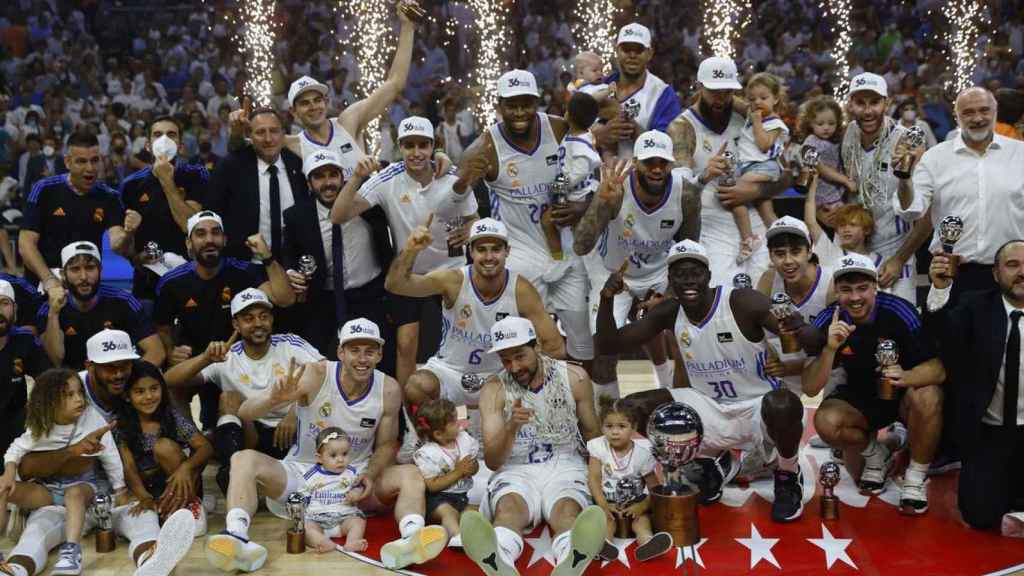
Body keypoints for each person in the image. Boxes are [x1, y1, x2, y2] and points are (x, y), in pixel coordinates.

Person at [595, 240, 813, 522]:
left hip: (759, 409)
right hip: (709, 410)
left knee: (784, 403)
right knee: (632, 406)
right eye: (680, 274)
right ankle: (712, 463)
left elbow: (805, 340)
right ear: (670, 279)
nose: (688, 281)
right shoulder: (670, 311)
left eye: (695, 273)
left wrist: (800, 328)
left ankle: (787, 474)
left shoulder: (741, 301)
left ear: (708, 275)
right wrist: (606, 298)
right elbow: (609, 344)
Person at [207, 318, 447, 572]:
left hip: (355, 479)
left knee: (410, 473)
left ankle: (411, 538)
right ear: (340, 352)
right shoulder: (316, 374)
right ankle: (236, 537)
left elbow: (387, 445)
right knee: (242, 459)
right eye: (354, 350)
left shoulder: (388, 388)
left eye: (369, 351)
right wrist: (273, 399)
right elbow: (245, 412)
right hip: (303, 475)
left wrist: (369, 475)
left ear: (380, 354)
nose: (362, 359)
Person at [6, 330, 196, 576]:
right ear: (90, 366)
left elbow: (175, 429)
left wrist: (132, 489)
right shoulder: (61, 391)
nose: (119, 374)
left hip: (114, 495)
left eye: (124, 365)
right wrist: (73, 453)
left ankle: (150, 562)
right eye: (109, 367)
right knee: (37, 530)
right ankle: (15, 569)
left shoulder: (144, 385)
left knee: (144, 519)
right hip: (62, 498)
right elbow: (27, 464)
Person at [384, 218, 564, 446]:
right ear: (470, 251)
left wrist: (525, 377)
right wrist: (410, 250)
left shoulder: (521, 290)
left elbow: (555, 346)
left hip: (500, 376)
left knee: (509, 438)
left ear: (507, 251)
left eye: (496, 249)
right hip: (450, 371)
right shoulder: (453, 280)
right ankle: (430, 447)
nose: (489, 257)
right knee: (416, 386)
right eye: (481, 249)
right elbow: (395, 285)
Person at [456, 69, 591, 366]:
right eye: (511, 105)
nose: (519, 111)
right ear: (499, 105)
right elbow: (458, 190)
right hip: (518, 255)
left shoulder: (559, 129)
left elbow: (590, 171)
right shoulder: (485, 146)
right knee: (526, 343)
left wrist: (581, 208)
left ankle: (591, 403)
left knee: (584, 342)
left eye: (526, 103)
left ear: (537, 102)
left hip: (567, 251)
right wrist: (469, 221)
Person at [331, 117, 477, 384]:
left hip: (452, 272)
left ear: (434, 146)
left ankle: (457, 409)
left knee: (460, 343)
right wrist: (356, 178)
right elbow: (338, 215)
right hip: (408, 273)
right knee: (406, 345)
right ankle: (406, 415)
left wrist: (472, 230)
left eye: (423, 145)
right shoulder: (388, 178)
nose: (416, 152)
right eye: (409, 146)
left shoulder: (452, 176)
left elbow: (474, 218)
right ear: (400, 147)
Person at [459, 316, 607, 576]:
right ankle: (499, 558)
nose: (514, 367)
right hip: (516, 466)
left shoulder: (574, 377)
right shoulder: (493, 390)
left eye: (520, 356)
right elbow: (493, 461)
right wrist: (511, 427)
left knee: (566, 511)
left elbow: (593, 435)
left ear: (536, 346)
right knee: (509, 510)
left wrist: (603, 480)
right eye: (506, 359)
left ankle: (570, 560)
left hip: (564, 462)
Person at [805, 253, 945, 514]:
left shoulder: (899, 310)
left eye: (862, 288)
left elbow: (937, 370)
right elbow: (810, 388)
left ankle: (916, 476)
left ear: (875, 287)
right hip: (861, 398)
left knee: (929, 394)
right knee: (826, 423)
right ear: (836, 290)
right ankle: (877, 453)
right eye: (846, 290)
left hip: (901, 395)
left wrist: (905, 376)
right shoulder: (829, 319)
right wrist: (829, 349)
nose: (855, 297)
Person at [574, 133, 701, 398]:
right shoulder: (615, 189)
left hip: (659, 271)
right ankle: (609, 415)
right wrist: (601, 201)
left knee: (686, 336)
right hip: (611, 271)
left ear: (671, 164)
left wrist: (668, 297)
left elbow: (688, 255)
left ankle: (674, 395)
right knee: (604, 346)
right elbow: (581, 246)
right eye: (649, 162)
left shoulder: (686, 193)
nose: (656, 169)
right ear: (636, 163)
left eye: (662, 162)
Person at [164, 288, 323, 492]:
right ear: (236, 324)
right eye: (248, 318)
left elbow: (324, 372)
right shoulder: (227, 355)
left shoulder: (290, 343)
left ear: (271, 320)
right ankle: (232, 470)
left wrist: (296, 412)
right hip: (252, 435)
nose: (258, 323)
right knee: (228, 398)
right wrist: (205, 358)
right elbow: (169, 380)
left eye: (263, 317)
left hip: (296, 430)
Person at [154, 211, 294, 430]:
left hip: (240, 359)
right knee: (172, 383)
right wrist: (172, 351)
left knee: (225, 422)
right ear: (189, 243)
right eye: (200, 234)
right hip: (201, 358)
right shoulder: (172, 282)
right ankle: (194, 443)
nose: (209, 239)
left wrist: (267, 257)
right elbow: (162, 326)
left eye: (215, 233)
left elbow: (285, 299)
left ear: (224, 240)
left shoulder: (244, 272)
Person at [924, 240, 1024, 529]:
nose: (1021, 272)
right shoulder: (975, 306)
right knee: (979, 515)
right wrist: (941, 288)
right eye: (1012, 265)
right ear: (995, 274)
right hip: (989, 434)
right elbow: (938, 335)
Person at [896, 86, 1024, 302]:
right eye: (968, 112)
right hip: (952, 275)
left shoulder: (1020, 154)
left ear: (995, 112)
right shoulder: (935, 158)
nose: (978, 118)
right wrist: (904, 179)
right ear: (956, 116)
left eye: (984, 110)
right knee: (948, 336)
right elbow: (911, 210)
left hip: (1011, 276)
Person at [0, 369, 123, 576]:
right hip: (49, 490)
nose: (78, 400)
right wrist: (9, 474)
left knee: (73, 493)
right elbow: (16, 449)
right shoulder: (41, 425)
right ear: (49, 402)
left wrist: (120, 488)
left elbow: (109, 454)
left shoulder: (90, 417)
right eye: (68, 395)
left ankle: (71, 551)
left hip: (84, 485)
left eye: (79, 393)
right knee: (2, 488)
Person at [666, 57, 775, 286]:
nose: (720, 99)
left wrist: (754, 191)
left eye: (726, 92)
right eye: (714, 91)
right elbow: (678, 193)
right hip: (711, 221)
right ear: (699, 87)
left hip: (752, 216)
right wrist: (704, 176)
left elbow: (785, 173)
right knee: (724, 292)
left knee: (771, 284)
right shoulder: (682, 127)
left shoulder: (747, 117)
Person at [281, 149, 395, 361]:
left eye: (333, 175)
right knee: (316, 360)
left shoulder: (368, 205)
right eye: (319, 177)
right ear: (309, 183)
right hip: (323, 298)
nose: (327, 183)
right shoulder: (297, 216)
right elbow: (288, 252)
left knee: (381, 358)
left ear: (343, 178)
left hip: (370, 295)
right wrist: (290, 271)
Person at [840, 72, 931, 303]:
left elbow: (926, 217)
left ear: (887, 103)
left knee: (898, 329)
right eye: (860, 103)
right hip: (857, 250)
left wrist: (900, 259)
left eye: (875, 102)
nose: (868, 111)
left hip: (896, 255)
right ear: (850, 104)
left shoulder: (907, 144)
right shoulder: (849, 136)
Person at [18, 132, 129, 291]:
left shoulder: (109, 197)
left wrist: (128, 232)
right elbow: (26, 243)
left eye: (94, 160)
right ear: (67, 162)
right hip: (43, 283)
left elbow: (117, 241)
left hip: (85, 288)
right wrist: (49, 280)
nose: (90, 168)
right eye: (81, 161)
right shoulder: (44, 190)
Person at [118, 115, 207, 304]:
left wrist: (166, 180)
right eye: (157, 135)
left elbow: (189, 226)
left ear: (181, 146)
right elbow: (125, 247)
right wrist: (136, 256)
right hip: (147, 282)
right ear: (148, 145)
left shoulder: (196, 175)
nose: (164, 140)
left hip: (190, 277)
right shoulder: (131, 185)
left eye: (171, 135)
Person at [115, 361, 212, 533]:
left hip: (179, 482)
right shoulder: (121, 426)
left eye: (154, 388)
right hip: (146, 488)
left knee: (163, 446)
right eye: (139, 391)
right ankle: (163, 509)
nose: (149, 396)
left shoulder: (170, 416)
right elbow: (129, 467)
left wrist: (186, 467)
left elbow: (205, 447)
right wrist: (144, 497)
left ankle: (190, 504)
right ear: (127, 396)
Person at [38, 241, 164, 369]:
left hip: (117, 380)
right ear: (63, 275)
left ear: (100, 271)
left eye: (90, 268)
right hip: (72, 383)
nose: (84, 277)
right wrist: (54, 313)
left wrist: (131, 381)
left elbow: (156, 352)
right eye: (75, 269)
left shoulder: (123, 301)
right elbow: (54, 360)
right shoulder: (50, 308)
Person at [209, 108, 308, 263]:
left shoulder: (299, 164)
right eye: (260, 132)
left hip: (294, 265)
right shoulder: (231, 167)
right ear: (249, 136)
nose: (268, 139)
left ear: (283, 134)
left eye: (274, 131)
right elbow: (213, 212)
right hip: (247, 266)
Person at [754, 216, 835, 395]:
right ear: (770, 256)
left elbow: (837, 346)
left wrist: (794, 368)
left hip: (823, 369)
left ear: (810, 250)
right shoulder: (768, 280)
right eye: (780, 253)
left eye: (796, 251)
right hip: (781, 369)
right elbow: (755, 330)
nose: (788, 261)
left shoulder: (831, 285)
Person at [586, 397, 672, 562]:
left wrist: (642, 505)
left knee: (642, 521)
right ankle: (603, 544)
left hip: (634, 502)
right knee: (606, 522)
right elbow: (594, 479)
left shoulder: (643, 453)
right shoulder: (598, 447)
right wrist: (603, 505)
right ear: (601, 426)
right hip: (607, 501)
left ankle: (647, 542)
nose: (615, 432)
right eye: (609, 426)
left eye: (622, 426)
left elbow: (654, 487)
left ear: (634, 427)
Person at [593, 23, 681, 161]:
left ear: (649, 53)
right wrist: (599, 136)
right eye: (626, 49)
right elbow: (572, 130)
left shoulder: (663, 94)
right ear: (617, 51)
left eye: (639, 50)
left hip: (638, 178)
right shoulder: (599, 87)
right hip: (596, 178)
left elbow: (669, 148)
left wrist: (631, 127)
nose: (632, 55)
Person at [732, 72, 787, 262]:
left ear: (776, 98)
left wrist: (756, 123)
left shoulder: (774, 123)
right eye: (752, 99)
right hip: (749, 167)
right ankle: (782, 243)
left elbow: (764, 145)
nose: (758, 102)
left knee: (734, 193)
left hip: (765, 166)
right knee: (765, 210)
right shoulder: (752, 115)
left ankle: (749, 239)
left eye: (764, 98)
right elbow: (735, 101)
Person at [412, 398, 479, 548]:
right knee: (449, 514)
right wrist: (458, 471)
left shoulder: (463, 439)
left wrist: (472, 467)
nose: (459, 423)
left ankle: (469, 535)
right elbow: (432, 486)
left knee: (474, 515)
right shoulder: (427, 453)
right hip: (437, 500)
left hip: (461, 496)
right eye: (454, 422)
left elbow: (475, 468)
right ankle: (456, 537)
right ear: (438, 434)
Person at [0, 279, 51, 454]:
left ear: (15, 310)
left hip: (14, 428)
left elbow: (49, 380)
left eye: (4, 303)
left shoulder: (25, 340)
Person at [301, 427, 367, 553]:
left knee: (358, 521)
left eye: (345, 454)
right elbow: (303, 495)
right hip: (318, 518)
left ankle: (352, 542)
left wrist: (356, 493)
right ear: (319, 458)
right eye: (333, 455)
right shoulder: (311, 475)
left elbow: (359, 486)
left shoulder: (351, 472)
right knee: (306, 528)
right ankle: (322, 542)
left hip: (344, 517)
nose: (340, 459)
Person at [796, 96, 855, 227]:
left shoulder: (835, 139)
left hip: (837, 191)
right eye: (820, 124)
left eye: (831, 123)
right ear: (811, 123)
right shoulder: (811, 142)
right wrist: (845, 180)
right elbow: (821, 168)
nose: (826, 128)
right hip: (823, 194)